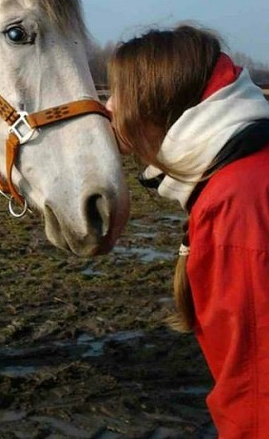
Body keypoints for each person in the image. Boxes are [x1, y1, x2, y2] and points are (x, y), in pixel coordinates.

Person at [106, 24, 269, 439]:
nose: (109, 107)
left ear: (153, 105)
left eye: (117, 94)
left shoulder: (236, 203)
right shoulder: (241, 175)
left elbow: (256, 389)